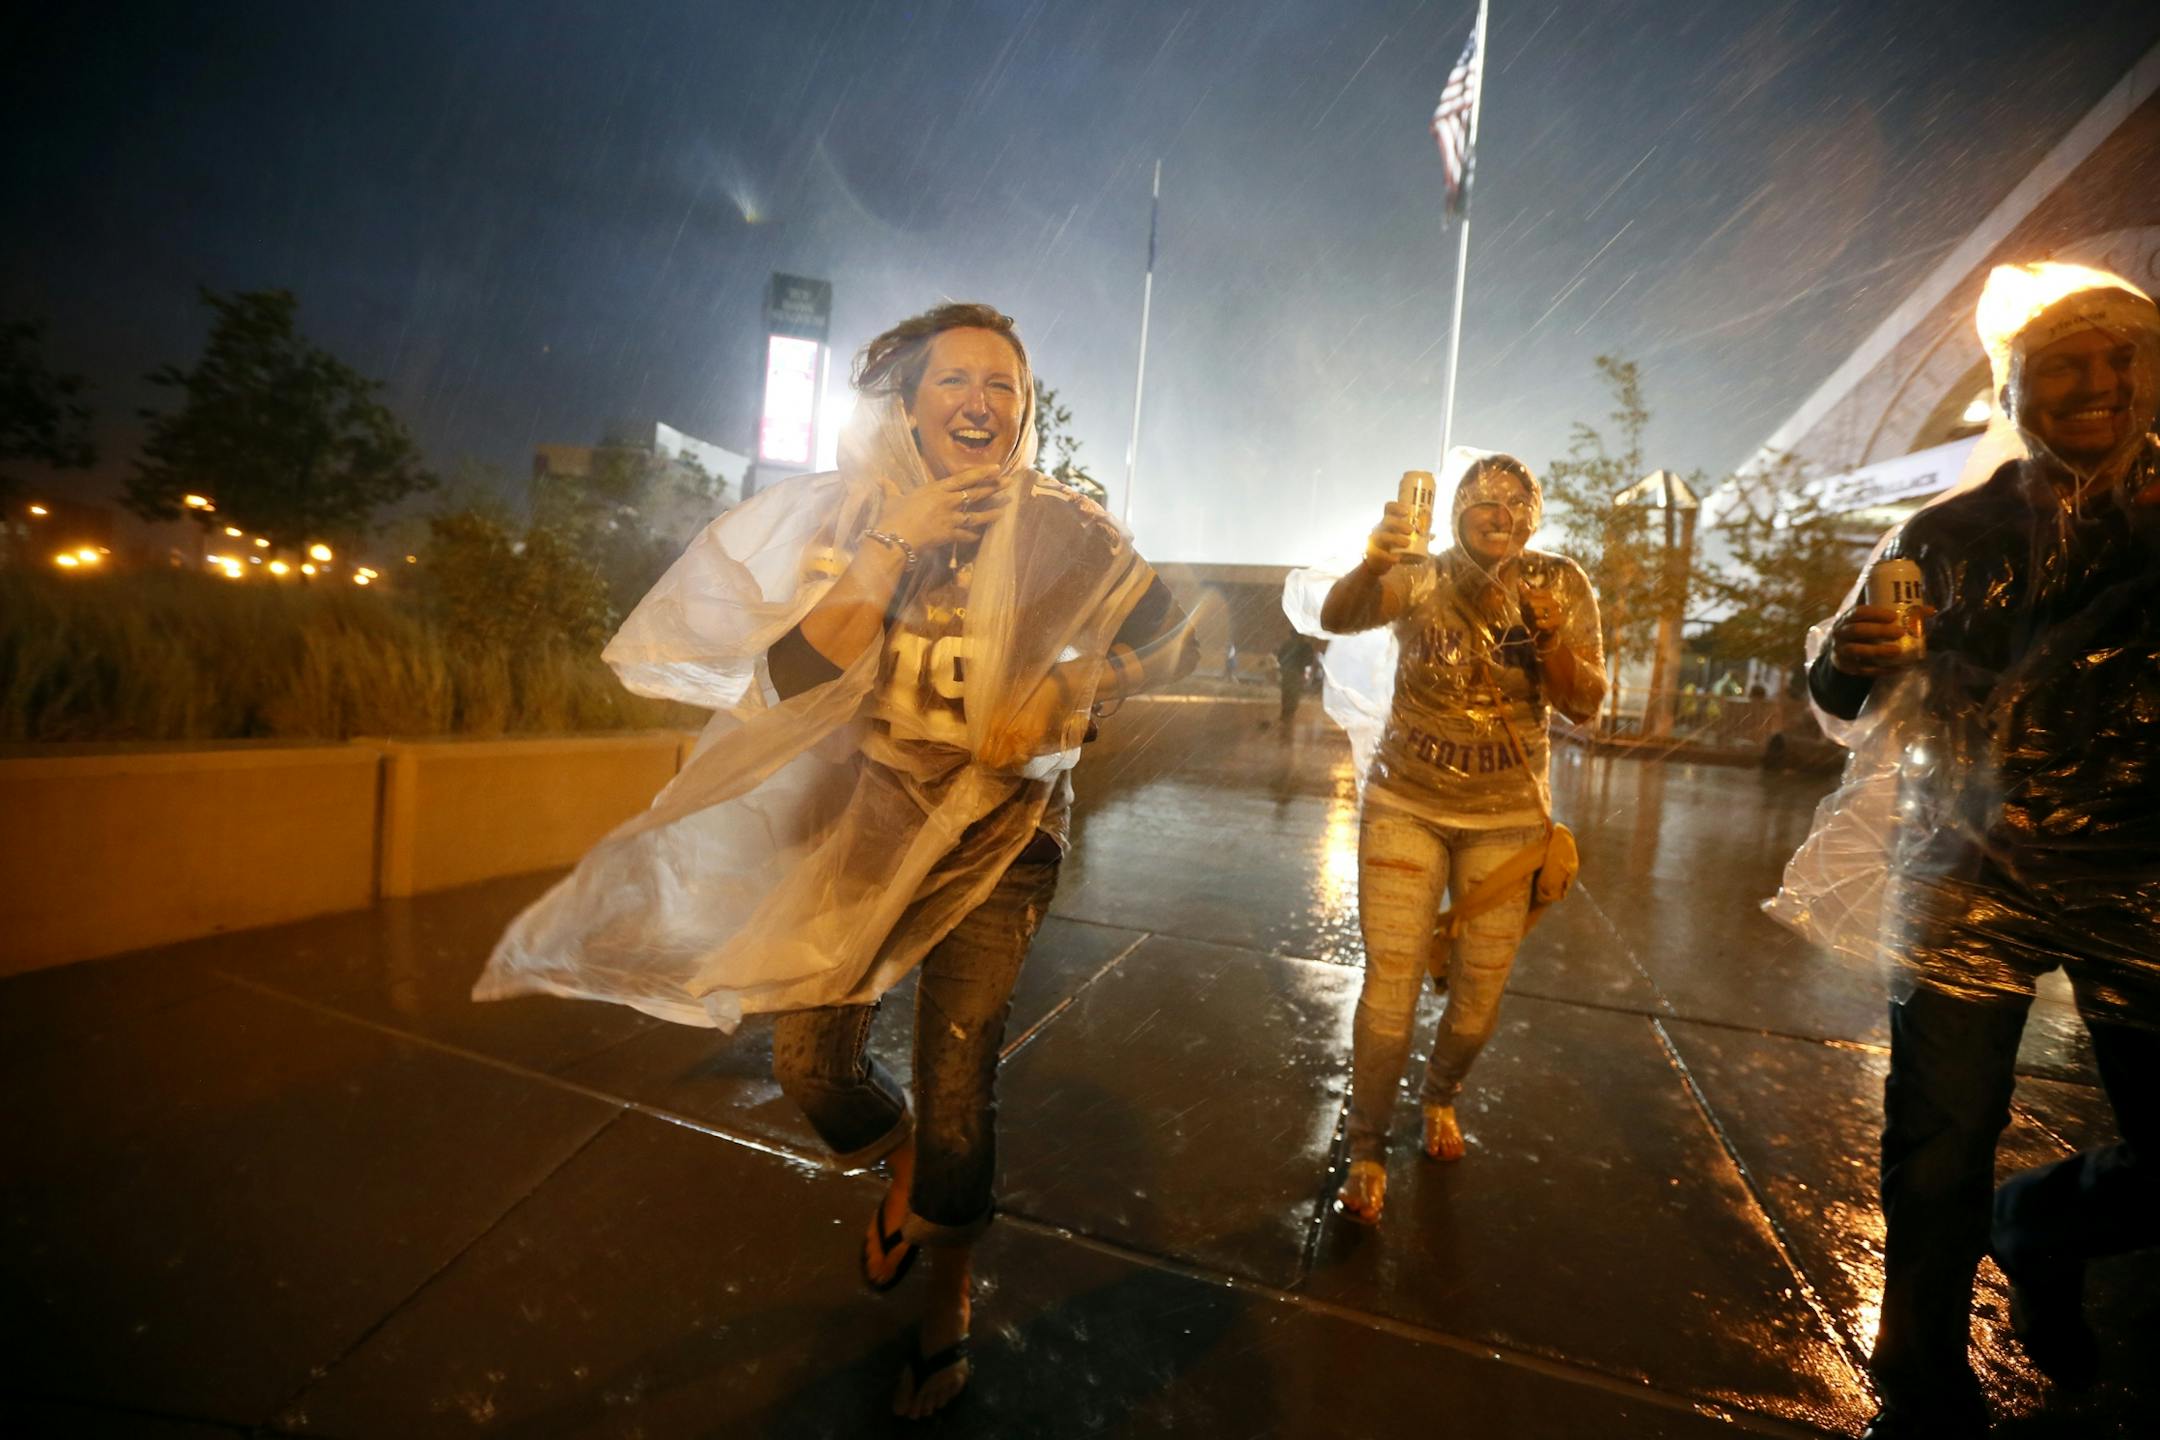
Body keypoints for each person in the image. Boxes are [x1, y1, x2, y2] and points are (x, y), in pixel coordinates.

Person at [476, 302, 1196, 1418]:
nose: (982, 402)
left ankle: (944, 1308)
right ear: (905, 409)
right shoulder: (839, 523)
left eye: (1004, 386)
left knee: (963, 1091)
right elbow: (796, 680)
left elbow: (1179, 630)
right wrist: (896, 544)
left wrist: (1094, 686)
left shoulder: (1072, 529)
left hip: (1004, 837)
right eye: (954, 381)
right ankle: (902, 1161)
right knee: (813, 1067)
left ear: (1025, 412)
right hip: (862, 822)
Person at [1805, 263, 2160, 1439]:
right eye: (2065, 364)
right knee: (1939, 1142)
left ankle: (2045, 1224)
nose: (2098, 385)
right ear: (2017, 388)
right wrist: (1855, 656)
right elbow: (1841, 694)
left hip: (2143, 878)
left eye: (2123, 362)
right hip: (1969, 872)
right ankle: (1921, 1386)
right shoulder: (1948, 532)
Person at [1307, 454, 1605, 1223]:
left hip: (1505, 821)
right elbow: (1338, 617)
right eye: (1482, 500)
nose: (1498, 513)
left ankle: (1441, 1095)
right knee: (1390, 995)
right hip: (1406, 803)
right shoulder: (1422, 574)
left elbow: (1585, 705)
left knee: (1475, 1006)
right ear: (1458, 512)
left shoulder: (1563, 584)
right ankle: (1367, 1146)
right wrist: (1373, 560)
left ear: (1534, 515)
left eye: (1514, 502)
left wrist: (1550, 640)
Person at [1275, 631, 1318, 728]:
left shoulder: (1286, 644)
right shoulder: (1305, 646)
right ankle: (1289, 713)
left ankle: (1285, 713)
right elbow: (1309, 660)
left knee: (1286, 693)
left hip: (1287, 672)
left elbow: (1279, 657)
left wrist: (1284, 667)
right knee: (1294, 694)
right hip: (1297, 673)